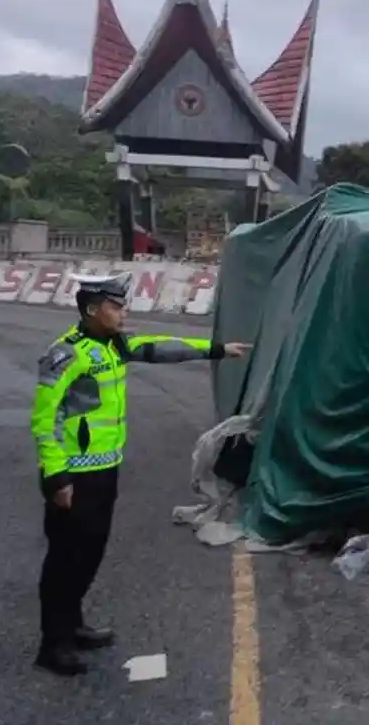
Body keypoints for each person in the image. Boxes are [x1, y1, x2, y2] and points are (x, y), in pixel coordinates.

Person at [31, 273, 250, 676]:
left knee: (91, 552)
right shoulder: (66, 354)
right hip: (73, 476)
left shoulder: (114, 345)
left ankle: (73, 623)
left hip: (105, 469)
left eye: (122, 305)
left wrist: (217, 349)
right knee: (65, 558)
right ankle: (53, 643)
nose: (122, 312)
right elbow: (46, 420)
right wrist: (56, 477)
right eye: (115, 306)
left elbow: (164, 347)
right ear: (93, 309)